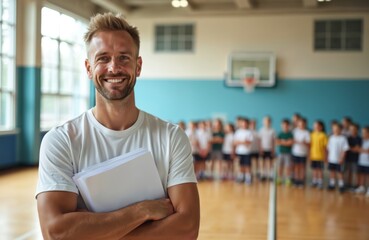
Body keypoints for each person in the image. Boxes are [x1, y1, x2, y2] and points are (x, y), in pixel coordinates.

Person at [36, 13, 200, 240]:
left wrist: (94, 231)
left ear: (138, 66)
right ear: (88, 68)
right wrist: (142, 211)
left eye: (124, 57)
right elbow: (57, 232)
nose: (114, 68)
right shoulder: (61, 140)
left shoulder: (171, 137)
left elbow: (187, 227)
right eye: (103, 58)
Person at [327, 123, 349, 193]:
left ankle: (341, 185)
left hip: (339, 159)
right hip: (331, 159)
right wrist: (328, 157)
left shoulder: (343, 138)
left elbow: (345, 149)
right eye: (334, 129)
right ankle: (332, 184)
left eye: (337, 129)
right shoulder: (331, 138)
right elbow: (328, 148)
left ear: (341, 130)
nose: (335, 130)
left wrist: (342, 158)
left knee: (340, 172)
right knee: (332, 172)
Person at [233, 118, 254, 184]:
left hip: (247, 152)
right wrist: (243, 141)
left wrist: (240, 142)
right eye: (243, 123)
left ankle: (248, 178)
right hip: (239, 151)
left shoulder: (249, 132)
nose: (244, 124)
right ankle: (241, 177)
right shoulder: (238, 132)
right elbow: (235, 142)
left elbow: (249, 142)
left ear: (247, 124)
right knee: (241, 165)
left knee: (247, 165)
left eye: (245, 123)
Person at [292, 118, 310, 187]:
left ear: (305, 124)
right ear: (298, 124)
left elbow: (309, 143)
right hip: (296, 152)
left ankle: (301, 181)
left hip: (303, 153)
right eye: (300, 123)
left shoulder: (306, 132)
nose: (301, 125)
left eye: (303, 124)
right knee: (296, 167)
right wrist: (294, 141)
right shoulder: (295, 131)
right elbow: (292, 140)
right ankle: (296, 180)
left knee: (302, 167)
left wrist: (304, 142)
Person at [309, 120, 328, 189]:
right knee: (314, 169)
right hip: (313, 156)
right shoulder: (312, 134)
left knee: (320, 169)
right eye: (314, 126)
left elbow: (325, 147)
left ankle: (320, 182)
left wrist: (325, 156)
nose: (315, 127)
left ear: (321, 127)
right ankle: (314, 181)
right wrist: (310, 155)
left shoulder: (323, 135)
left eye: (317, 126)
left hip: (320, 156)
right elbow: (310, 146)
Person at [275, 119, 293, 186]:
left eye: (286, 125)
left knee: (287, 167)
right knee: (280, 166)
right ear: (281, 125)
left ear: (288, 126)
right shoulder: (280, 133)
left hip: (288, 153)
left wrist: (282, 142)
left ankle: (288, 179)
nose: (285, 126)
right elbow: (276, 142)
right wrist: (285, 142)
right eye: (283, 125)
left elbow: (290, 143)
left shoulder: (290, 134)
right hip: (280, 153)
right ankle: (279, 178)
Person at [259, 116, 276, 181]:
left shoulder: (272, 130)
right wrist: (260, 148)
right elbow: (260, 140)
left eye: (268, 121)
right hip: (263, 148)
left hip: (270, 149)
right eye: (265, 121)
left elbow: (273, 141)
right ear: (263, 122)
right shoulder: (261, 130)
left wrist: (273, 149)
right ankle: (263, 174)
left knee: (270, 162)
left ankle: (270, 175)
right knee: (263, 162)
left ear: (270, 122)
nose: (267, 122)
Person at [345, 123, 362, 190]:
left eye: (354, 129)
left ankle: (356, 185)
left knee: (356, 172)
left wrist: (350, 148)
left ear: (357, 130)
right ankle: (348, 184)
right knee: (348, 171)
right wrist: (352, 148)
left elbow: (357, 149)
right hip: (348, 157)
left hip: (356, 158)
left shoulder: (359, 138)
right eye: (351, 129)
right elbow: (346, 148)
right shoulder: (348, 138)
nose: (352, 131)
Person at [355, 126, 369, 196]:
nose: (363, 134)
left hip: (367, 162)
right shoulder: (362, 141)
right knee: (361, 174)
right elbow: (356, 149)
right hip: (361, 161)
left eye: (364, 133)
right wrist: (362, 150)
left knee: (367, 176)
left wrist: (360, 149)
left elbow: (367, 151)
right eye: (362, 133)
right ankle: (361, 187)